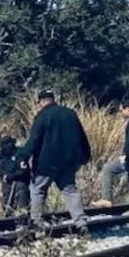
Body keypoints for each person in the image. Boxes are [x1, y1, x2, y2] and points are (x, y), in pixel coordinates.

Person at [16, 89, 91, 226]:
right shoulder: (70, 114)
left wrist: (23, 156)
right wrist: (86, 155)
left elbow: (34, 140)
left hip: (47, 163)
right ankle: (81, 223)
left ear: (41, 101)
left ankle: (36, 222)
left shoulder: (42, 116)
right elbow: (82, 137)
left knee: (37, 189)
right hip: (68, 162)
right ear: (53, 99)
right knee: (70, 190)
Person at [92, 101, 129, 214]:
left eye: (122, 110)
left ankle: (107, 199)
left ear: (127, 108)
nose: (121, 113)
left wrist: (125, 155)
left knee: (108, 170)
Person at [0, 135, 31, 217]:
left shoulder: (20, 153)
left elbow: (23, 171)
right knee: (6, 198)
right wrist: (4, 175)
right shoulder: (1, 155)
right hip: (6, 180)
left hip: (20, 180)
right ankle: (8, 215)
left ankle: (23, 214)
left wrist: (12, 176)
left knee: (21, 191)